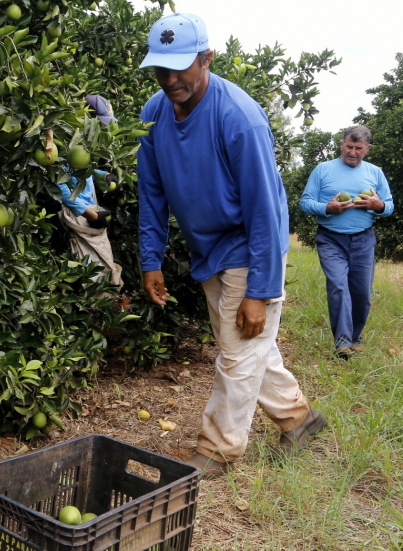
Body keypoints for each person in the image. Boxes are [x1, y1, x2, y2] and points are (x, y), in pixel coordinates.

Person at [136, 13, 326, 478]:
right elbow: (152, 193)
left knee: (238, 349)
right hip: (209, 249)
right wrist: (150, 259)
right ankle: (300, 420)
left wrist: (261, 290)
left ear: (207, 58)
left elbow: (266, 211)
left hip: (249, 243)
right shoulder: (153, 114)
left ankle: (218, 449)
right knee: (246, 344)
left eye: (183, 66)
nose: (172, 79)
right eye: (162, 69)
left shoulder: (239, 118)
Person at [299, 125, 394, 359]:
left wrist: (377, 205)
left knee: (362, 293)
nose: (352, 152)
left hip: (364, 239)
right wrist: (327, 208)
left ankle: (355, 337)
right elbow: (305, 202)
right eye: (349, 147)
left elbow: (389, 206)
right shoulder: (323, 170)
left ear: (367, 149)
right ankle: (342, 343)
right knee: (339, 287)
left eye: (358, 148)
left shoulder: (375, 173)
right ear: (341, 144)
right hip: (330, 239)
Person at [52, 95, 123, 289]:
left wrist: (104, 174)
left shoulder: (83, 141)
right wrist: (88, 213)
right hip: (69, 215)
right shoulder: (66, 141)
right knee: (79, 271)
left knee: (97, 268)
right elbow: (58, 184)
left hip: (86, 210)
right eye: (98, 122)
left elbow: (82, 170)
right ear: (86, 117)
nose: (101, 127)